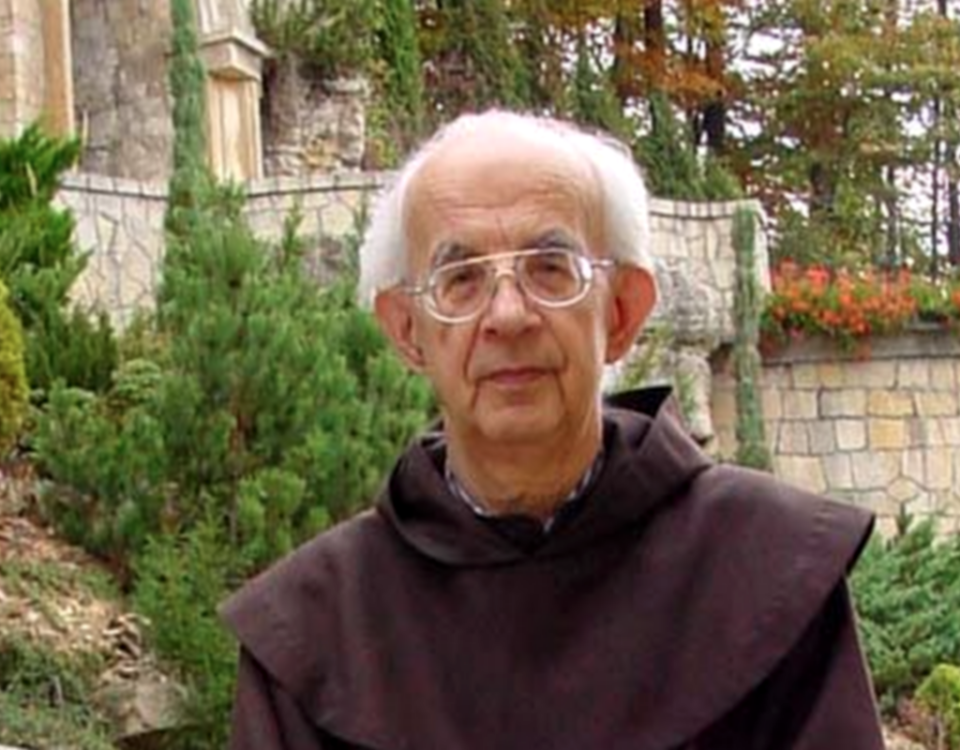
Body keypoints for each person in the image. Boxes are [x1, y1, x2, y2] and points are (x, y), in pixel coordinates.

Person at [221, 110, 885, 749]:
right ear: (407, 331)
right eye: (461, 278)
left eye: (549, 269)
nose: (509, 315)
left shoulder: (767, 568)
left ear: (621, 312)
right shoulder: (316, 630)